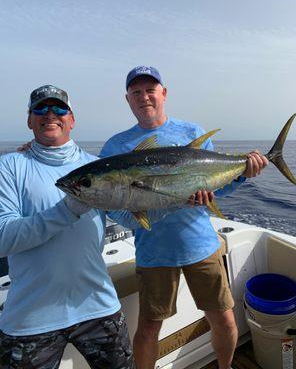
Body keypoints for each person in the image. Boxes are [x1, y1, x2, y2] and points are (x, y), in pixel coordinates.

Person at [100, 66, 269, 369]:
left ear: (163, 94)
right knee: (150, 328)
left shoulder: (191, 132)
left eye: (150, 90)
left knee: (223, 317)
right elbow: (109, 203)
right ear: (127, 99)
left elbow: (220, 185)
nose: (144, 97)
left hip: (200, 245)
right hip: (154, 252)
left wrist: (244, 174)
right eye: (136, 92)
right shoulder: (115, 146)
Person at [0, 85, 136, 369]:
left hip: (98, 304)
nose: (50, 114)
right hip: (30, 317)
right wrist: (67, 209)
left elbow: (127, 218)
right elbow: (3, 237)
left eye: (59, 108)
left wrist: (179, 200)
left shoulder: (96, 166)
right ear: (29, 120)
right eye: (40, 108)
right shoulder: (10, 167)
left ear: (71, 119)